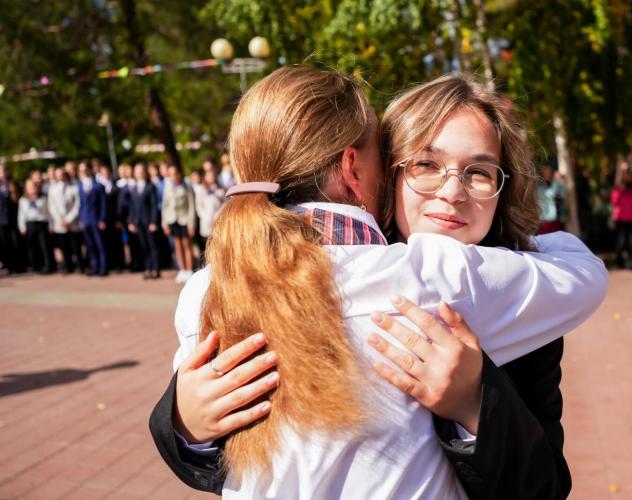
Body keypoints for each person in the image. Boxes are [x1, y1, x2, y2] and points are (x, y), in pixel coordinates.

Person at [149, 68, 607, 498]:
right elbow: (236, 451)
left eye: (480, 172)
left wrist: (474, 406)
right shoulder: (421, 274)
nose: (453, 191)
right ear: (382, 171)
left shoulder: (524, 304)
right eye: (426, 164)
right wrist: (184, 423)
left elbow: (545, 487)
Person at [162, 165, 195, 283]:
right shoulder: (168, 187)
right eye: (170, 174)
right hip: (172, 219)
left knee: (187, 245)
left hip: (184, 219)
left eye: (174, 174)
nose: (173, 177)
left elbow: (191, 206)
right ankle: (182, 270)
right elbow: (165, 206)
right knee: (177, 245)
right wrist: (164, 223)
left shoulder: (186, 186)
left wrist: (191, 224)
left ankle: (189, 269)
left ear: (179, 174)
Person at [128, 163, 161, 280]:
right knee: (143, 246)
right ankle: (147, 268)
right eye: (137, 171)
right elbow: (132, 207)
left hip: (149, 222)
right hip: (138, 222)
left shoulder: (150, 186)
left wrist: (154, 222)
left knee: (152, 245)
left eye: (141, 171)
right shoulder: (134, 187)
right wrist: (131, 221)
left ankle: (156, 268)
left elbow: (154, 205)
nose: (139, 173)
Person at [47, 167, 83, 273]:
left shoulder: (73, 188)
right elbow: (51, 206)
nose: (60, 177)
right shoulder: (52, 189)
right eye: (58, 175)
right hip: (60, 222)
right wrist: (60, 219)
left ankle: (80, 266)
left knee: (76, 245)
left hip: (72, 222)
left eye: (62, 174)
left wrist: (69, 219)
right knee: (64, 246)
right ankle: (68, 266)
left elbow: (77, 205)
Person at [77, 161, 108, 276]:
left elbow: (103, 204)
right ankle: (94, 266)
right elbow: (81, 204)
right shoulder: (80, 186)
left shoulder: (98, 186)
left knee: (100, 244)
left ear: (90, 170)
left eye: (85, 170)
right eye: (81, 170)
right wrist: (81, 219)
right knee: (90, 245)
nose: (83, 172)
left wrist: (102, 219)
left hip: (96, 219)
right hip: (85, 220)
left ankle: (103, 267)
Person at [18, 178, 54, 274]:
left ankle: (48, 266)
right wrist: (22, 227)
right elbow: (21, 215)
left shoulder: (43, 199)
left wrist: (51, 225)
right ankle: (36, 266)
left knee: (44, 246)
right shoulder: (23, 200)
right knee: (33, 247)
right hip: (30, 224)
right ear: (26, 188)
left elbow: (49, 213)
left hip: (42, 224)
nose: (33, 188)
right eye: (30, 186)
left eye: (34, 186)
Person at [610, 162, 632, 269]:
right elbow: (614, 201)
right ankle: (620, 262)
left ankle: (631, 261)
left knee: (631, 242)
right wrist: (620, 189)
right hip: (621, 218)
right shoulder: (618, 188)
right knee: (621, 241)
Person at [194, 168, 225, 256]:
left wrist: (216, 218)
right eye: (209, 175)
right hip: (206, 222)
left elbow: (224, 205)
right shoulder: (201, 190)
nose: (211, 177)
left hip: (217, 222)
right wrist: (206, 218)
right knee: (206, 246)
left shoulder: (220, 190)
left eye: (212, 175)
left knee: (218, 246)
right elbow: (199, 206)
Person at [0, 164, 24, 274]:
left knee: (16, 242)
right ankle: (9, 266)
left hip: (14, 219)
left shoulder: (14, 184)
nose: (3, 172)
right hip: (1, 220)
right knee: (5, 244)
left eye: (4, 170)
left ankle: (19, 266)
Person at [537, 165, 565, 234]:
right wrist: (557, 180)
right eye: (546, 173)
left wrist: (560, 181)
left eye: (550, 172)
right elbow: (550, 194)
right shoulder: (539, 186)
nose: (548, 174)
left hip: (556, 218)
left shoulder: (553, 183)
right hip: (546, 220)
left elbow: (562, 194)